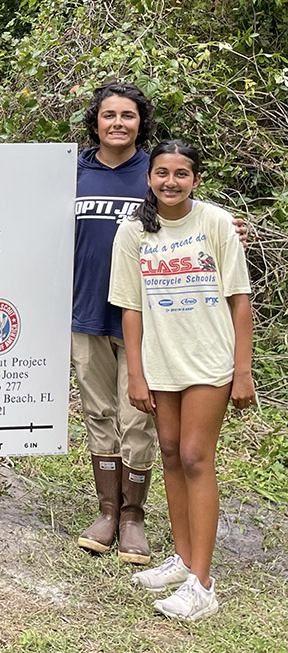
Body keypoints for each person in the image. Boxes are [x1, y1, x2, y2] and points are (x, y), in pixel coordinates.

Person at [109, 140, 254, 622]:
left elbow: (239, 299)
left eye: (182, 173)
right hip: (160, 361)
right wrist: (136, 371)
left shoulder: (215, 224)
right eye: (162, 173)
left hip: (210, 360)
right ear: (148, 177)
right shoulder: (133, 232)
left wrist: (242, 370)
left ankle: (203, 584)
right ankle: (185, 560)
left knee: (195, 456)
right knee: (169, 452)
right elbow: (131, 308)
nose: (171, 182)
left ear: (195, 179)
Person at [71, 84, 159, 563]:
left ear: (140, 123)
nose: (118, 123)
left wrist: (227, 226)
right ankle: (106, 511)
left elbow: (191, 220)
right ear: (96, 122)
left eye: (128, 115)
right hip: (85, 311)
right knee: (98, 413)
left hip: (144, 318)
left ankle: (133, 518)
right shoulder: (70, 172)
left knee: (137, 416)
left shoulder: (155, 173)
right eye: (109, 115)